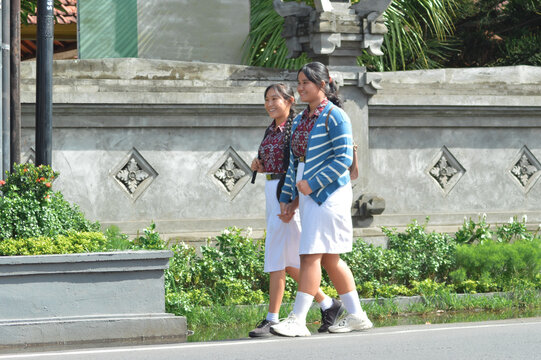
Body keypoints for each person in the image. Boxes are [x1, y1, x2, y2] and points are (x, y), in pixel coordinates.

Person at [270, 63, 373, 337]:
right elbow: (295, 161)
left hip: (329, 194)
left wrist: (312, 184)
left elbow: (343, 158)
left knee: (311, 254)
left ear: (323, 83)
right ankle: (357, 315)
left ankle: (298, 319)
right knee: (329, 259)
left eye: (306, 82)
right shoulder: (303, 119)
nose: (301, 87)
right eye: (299, 82)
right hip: (307, 195)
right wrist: (288, 197)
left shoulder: (336, 116)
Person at [248, 83, 344, 338]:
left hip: (285, 193)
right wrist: (259, 164)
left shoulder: (295, 129)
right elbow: (275, 161)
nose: (270, 104)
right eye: (266, 99)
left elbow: (294, 167)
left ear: (290, 100)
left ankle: (272, 318)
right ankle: (327, 304)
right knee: (287, 260)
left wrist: (290, 200)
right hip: (272, 191)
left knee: (277, 257)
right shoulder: (272, 129)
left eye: (275, 99)